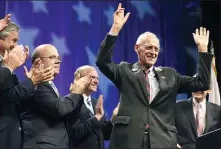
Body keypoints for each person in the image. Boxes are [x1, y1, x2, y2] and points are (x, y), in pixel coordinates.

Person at [95, 3, 213, 148]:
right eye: (149, 47)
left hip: (161, 141)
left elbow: (202, 83)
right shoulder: (125, 71)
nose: (153, 52)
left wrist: (202, 49)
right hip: (128, 141)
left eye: (156, 49)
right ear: (137, 48)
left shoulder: (170, 75)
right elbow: (102, 62)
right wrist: (115, 29)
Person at [20, 44, 91, 148]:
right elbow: (59, 109)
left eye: (58, 58)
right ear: (38, 62)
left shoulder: (50, 87)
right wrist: (75, 94)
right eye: (52, 57)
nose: (58, 61)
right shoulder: (38, 86)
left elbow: (68, 119)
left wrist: (79, 94)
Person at [0, 19, 54, 149]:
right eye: (14, 40)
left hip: (12, 136)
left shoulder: (5, 66)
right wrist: (10, 68)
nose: (17, 45)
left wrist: (31, 82)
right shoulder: (4, 66)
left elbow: (13, 99)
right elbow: (3, 98)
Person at [69, 65, 119, 149]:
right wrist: (97, 117)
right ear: (80, 78)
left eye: (97, 78)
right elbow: (75, 132)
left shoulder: (96, 103)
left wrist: (113, 119)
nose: (96, 82)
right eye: (92, 77)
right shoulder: (70, 101)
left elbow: (105, 136)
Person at [176, 61, 221, 149]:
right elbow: (167, 129)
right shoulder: (177, 107)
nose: (198, 88)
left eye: (202, 85)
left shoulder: (218, 110)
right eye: (195, 84)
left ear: (209, 90)